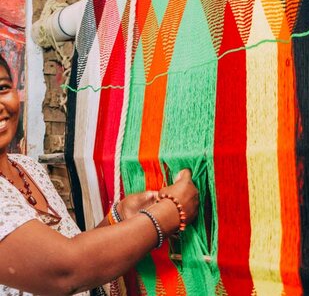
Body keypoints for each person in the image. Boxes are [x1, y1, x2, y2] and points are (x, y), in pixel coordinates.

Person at [0, 54, 199, 295]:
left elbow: (65, 248)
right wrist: (170, 213)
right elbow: (66, 271)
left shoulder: (26, 167)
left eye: (2, 88)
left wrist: (119, 216)